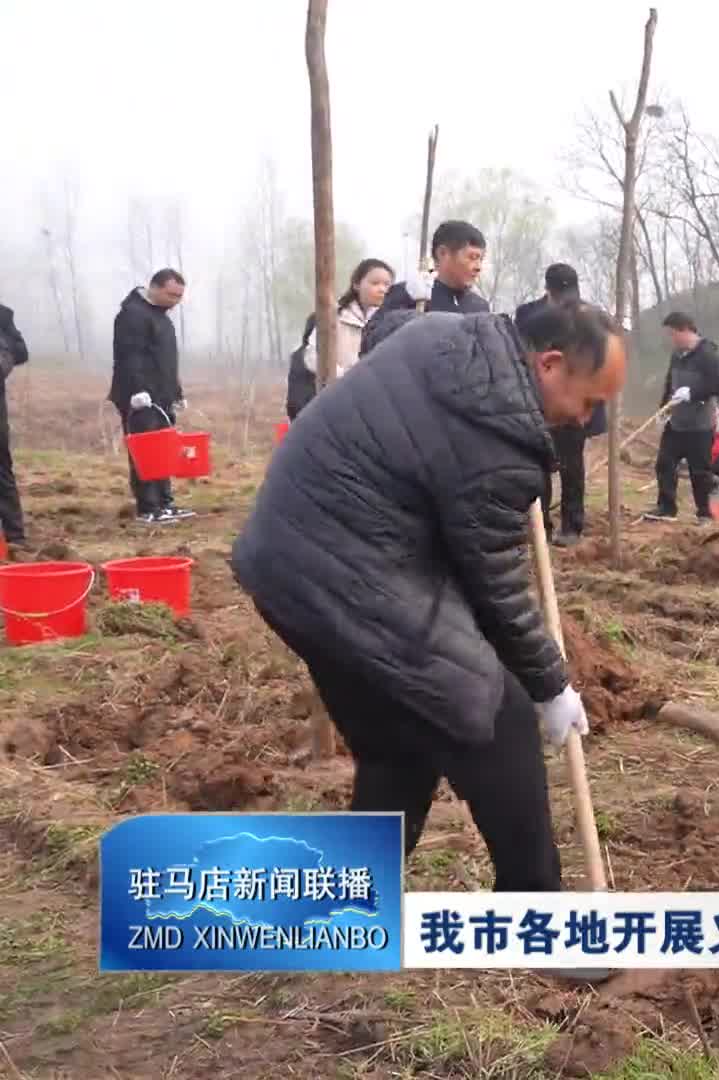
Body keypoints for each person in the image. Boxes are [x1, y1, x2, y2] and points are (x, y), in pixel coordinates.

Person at [232, 300, 627, 890]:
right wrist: (549, 685)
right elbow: (494, 585)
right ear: (548, 364)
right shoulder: (498, 441)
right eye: (589, 401)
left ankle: (346, 893)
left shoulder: (450, 338)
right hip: (346, 567)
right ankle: (536, 912)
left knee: (398, 743)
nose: (586, 422)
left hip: (285, 559)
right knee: (499, 715)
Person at [516, 264, 605, 546]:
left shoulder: (590, 317)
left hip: (574, 403)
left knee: (571, 467)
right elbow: (520, 354)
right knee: (537, 465)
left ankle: (572, 527)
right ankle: (539, 524)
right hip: (537, 401)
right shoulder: (528, 315)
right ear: (549, 291)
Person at [110, 269, 191, 525]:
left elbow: (166, 361)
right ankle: (148, 507)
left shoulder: (161, 317)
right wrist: (137, 390)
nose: (175, 301)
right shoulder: (132, 315)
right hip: (139, 398)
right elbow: (129, 356)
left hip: (161, 397)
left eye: (179, 296)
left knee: (163, 450)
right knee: (145, 451)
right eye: (171, 294)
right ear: (154, 288)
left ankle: (165, 503)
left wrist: (176, 393)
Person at [289, 258, 395, 420]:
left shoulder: (391, 321)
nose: (382, 289)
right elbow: (312, 356)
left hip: (372, 404)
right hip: (333, 399)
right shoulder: (332, 317)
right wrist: (342, 376)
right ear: (357, 284)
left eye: (387, 285)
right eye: (375, 283)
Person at [647, 312, 719, 522]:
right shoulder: (677, 355)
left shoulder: (709, 355)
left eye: (673, 334)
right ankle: (666, 508)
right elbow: (669, 382)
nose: (672, 339)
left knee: (699, 472)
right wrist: (663, 409)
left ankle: (705, 514)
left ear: (685, 330)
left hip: (700, 426)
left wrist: (692, 393)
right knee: (664, 464)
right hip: (676, 424)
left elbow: (718, 385)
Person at [365, 220, 490, 352]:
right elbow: (369, 345)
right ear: (443, 253)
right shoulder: (408, 294)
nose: (478, 267)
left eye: (480, 259)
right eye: (472, 257)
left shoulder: (480, 308)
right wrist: (406, 304)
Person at [0, 301, 27, 549]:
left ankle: (15, 535)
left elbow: (21, 351)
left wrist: (4, 355)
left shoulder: (3, 315)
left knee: (2, 470)